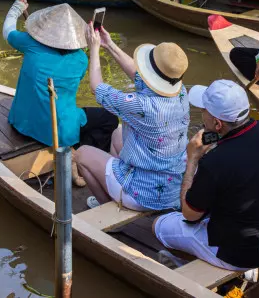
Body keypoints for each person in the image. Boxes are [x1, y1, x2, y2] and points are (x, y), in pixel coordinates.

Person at [154, 79, 259, 271]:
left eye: (204, 110)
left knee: (159, 225)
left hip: (239, 254)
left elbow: (189, 214)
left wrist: (193, 159)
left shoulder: (216, 162)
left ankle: (190, 263)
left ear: (217, 123)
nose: (202, 114)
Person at [2, 0, 119, 184]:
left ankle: (74, 155)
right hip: (61, 130)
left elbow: (7, 31)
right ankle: (80, 154)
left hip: (22, 123)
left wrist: (16, 9)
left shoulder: (30, 44)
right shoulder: (81, 59)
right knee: (109, 118)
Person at [75, 25, 190, 211]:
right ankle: (114, 190)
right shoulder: (180, 92)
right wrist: (109, 45)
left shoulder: (142, 105)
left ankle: (108, 206)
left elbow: (97, 88)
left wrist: (94, 48)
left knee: (82, 154)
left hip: (143, 194)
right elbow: (138, 75)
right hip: (170, 188)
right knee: (116, 134)